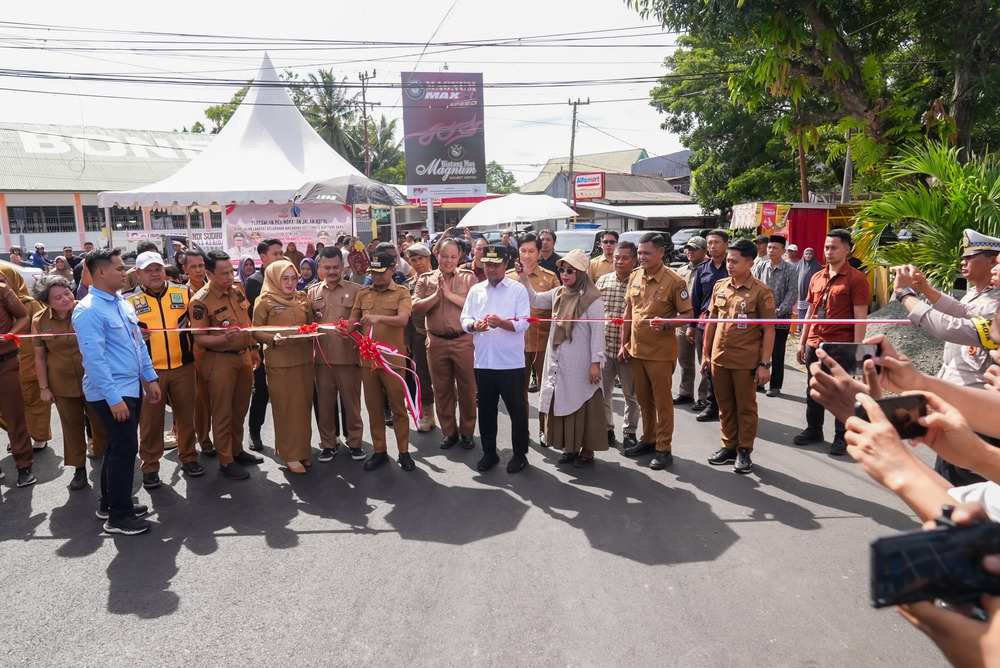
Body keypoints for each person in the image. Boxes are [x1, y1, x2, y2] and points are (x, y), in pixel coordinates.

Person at [892, 228, 1000, 484]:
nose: (963, 262)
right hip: (964, 403)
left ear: (992, 260)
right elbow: (963, 311)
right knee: (951, 479)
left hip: (980, 410)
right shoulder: (981, 295)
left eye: (971, 257)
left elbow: (952, 328)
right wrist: (925, 289)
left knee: (964, 489)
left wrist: (905, 295)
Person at [73, 248, 162, 535]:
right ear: (100, 272)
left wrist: (151, 378)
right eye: (119, 269)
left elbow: (138, 345)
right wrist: (114, 400)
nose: (125, 273)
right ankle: (119, 517)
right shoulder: (88, 310)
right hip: (111, 392)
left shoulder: (121, 303)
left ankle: (111, 503)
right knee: (125, 449)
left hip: (130, 386)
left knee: (117, 448)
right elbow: (94, 361)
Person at [124, 251, 204, 489]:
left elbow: (199, 320)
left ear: (165, 270)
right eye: (147, 270)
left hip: (184, 366)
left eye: (157, 269)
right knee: (150, 422)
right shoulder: (127, 301)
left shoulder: (183, 292)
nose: (154, 274)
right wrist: (133, 335)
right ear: (138, 274)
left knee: (186, 417)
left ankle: (189, 457)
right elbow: (119, 336)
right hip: (149, 373)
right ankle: (150, 466)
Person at [519, 249, 606, 466]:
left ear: (581, 273)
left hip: (582, 360)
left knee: (583, 401)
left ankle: (587, 452)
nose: (565, 274)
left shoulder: (592, 299)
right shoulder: (559, 292)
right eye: (562, 270)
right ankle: (570, 448)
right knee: (562, 400)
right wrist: (523, 277)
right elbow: (536, 300)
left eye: (570, 271)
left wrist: (596, 363)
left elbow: (597, 333)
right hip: (559, 357)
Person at [794, 228, 870, 455]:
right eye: (826, 247)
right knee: (814, 389)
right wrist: (802, 341)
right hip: (815, 343)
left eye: (834, 247)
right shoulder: (817, 276)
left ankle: (842, 437)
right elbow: (809, 313)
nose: (828, 251)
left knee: (842, 394)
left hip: (841, 345)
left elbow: (860, 319)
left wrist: (858, 352)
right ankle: (814, 429)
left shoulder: (857, 279)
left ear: (847, 250)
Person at [702, 239, 776, 474]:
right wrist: (706, 354)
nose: (729, 265)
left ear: (750, 263)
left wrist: (765, 364)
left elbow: (769, 330)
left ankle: (744, 450)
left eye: (734, 261)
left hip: (745, 361)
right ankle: (728, 446)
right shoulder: (720, 286)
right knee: (724, 406)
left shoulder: (762, 291)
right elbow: (711, 322)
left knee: (745, 407)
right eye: (728, 261)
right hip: (719, 358)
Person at [621, 232, 694, 470]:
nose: (641, 257)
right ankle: (648, 439)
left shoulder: (675, 281)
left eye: (646, 253)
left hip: (660, 354)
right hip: (637, 351)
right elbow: (628, 313)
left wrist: (667, 323)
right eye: (639, 253)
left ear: (661, 253)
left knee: (662, 403)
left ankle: (664, 448)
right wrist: (624, 343)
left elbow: (688, 315)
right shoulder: (635, 277)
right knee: (644, 401)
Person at [189, 251, 263, 480]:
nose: (229, 277)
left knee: (240, 408)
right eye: (223, 274)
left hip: (242, 357)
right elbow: (199, 338)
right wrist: (223, 339)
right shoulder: (200, 301)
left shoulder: (237, 289)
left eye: (230, 271)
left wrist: (253, 347)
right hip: (219, 360)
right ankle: (226, 461)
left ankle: (237, 449)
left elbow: (247, 322)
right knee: (222, 412)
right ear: (209, 274)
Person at [32, 275, 107, 490]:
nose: (66, 299)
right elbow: (39, 357)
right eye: (58, 297)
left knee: (101, 423)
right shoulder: (39, 320)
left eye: (67, 293)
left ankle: (106, 462)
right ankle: (79, 469)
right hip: (62, 384)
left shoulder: (87, 310)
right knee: (72, 427)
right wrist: (44, 388)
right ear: (46, 303)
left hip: (94, 380)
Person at [461, 244, 532, 473]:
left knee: (517, 411)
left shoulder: (517, 290)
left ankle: (520, 454)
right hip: (483, 361)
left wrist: (502, 323)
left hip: (510, 362)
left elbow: (524, 323)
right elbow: (465, 318)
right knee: (487, 411)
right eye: (487, 264)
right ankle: (489, 453)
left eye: (495, 264)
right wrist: (474, 326)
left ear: (505, 264)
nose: (490, 269)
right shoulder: (477, 290)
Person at [350, 252, 415, 472]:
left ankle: (404, 452)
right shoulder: (363, 293)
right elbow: (354, 319)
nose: (376, 276)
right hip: (368, 363)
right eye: (373, 272)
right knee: (374, 408)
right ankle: (380, 451)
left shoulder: (402, 292)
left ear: (392, 271)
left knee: (398, 409)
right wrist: (345, 327)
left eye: (380, 272)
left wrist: (378, 318)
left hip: (392, 362)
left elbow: (403, 320)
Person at [414, 238, 478, 450]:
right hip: (436, 342)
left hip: (463, 341)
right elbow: (416, 308)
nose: (448, 260)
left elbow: (475, 305)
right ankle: (449, 431)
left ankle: (467, 431)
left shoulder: (469, 278)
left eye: (453, 256)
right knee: (442, 389)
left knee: (467, 389)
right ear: (437, 255)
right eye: (444, 256)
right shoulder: (425, 279)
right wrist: (436, 296)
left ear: (460, 256)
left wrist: (449, 295)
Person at [252, 260, 314, 474]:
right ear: (273, 279)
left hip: (304, 360)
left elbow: (312, 324)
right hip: (280, 363)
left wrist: (310, 331)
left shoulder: (302, 298)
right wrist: (272, 338)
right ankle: (289, 454)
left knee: (303, 407)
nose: (290, 283)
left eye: (293, 278)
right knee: (286, 407)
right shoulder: (264, 301)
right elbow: (255, 331)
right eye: (284, 278)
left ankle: (303, 450)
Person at [309, 247, 365, 461]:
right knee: (324, 404)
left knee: (352, 404)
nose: (331, 271)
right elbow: (307, 324)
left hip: (348, 357)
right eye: (327, 267)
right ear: (320, 268)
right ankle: (328, 443)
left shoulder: (357, 290)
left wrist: (353, 328)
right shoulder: (312, 292)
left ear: (343, 266)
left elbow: (362, 323)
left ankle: (355, 443)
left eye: (335, 267)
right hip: (322, 359)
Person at [508, 233, 560, 442]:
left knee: (546, 389)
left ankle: (545, 429)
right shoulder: (508, 276)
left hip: (543, 343)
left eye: (531, 251)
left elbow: (558, 308)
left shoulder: (550, 277)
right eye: (523, 251)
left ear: (539, 253)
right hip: (515, 344)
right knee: (518, 392)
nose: (527, 255)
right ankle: (522, 430)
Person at [0, 266, 52, 451]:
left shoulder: (30, 304)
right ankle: (18, 436)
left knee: (34, 402)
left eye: (4, 280)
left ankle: (38, 437)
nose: (2, 284)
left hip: (29, 361)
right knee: (9, 408)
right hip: (6, 362)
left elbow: (43, 329)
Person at [596, 241, 640, 449]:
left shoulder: (640, 282)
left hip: (628, 350)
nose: (619, 262)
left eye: (624, 258)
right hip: (604, 348)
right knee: (603, 392)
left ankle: (630, 431)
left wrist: (628, 345)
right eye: (616, 258)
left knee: (630, 395)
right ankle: (607, 428)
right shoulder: (603, 281)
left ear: (634, 260)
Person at [244, 238, 284, 451]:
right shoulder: (255, 282)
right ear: (263, 257)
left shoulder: (287, 278)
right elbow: (248, 318)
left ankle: (287, 437)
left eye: (281, 253)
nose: (280, 257)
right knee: (261, 390)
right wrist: (253, 346)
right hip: (260, 345)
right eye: (275, 254)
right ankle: (254, 431)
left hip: (285, 345)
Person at [686, 229, 730, 422]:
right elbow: (695, 299)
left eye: (717, 242)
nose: (712, 246)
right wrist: (692, 325)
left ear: (726, 244)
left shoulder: (734, 266)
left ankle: (728, 406)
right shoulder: (703, 268)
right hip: (706, 325)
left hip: (729, 326)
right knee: (708, 365)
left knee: (728, 367)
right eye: (710, 243)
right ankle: (712, 405)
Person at [751, 234, 797, 397]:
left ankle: (775, 384)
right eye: (769, 247)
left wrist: (775, 313)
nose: (771, 250)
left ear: (783, 250)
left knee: (777, 352)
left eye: (775, 248)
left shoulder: (790, 269)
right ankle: (758, 382)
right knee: (758, 350)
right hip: (760, 318)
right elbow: (753, 288)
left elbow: (792, 295)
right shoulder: (760, 266)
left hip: (780, 319)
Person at [0, 272, 34, 487]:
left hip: (5, 362)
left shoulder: (2, 289)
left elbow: (23, 317)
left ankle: (24, 465)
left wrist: (9, 335)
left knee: (14, 416)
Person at [402, 243, 436, 433]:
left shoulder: (441, 279)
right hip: (418, 335)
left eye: (420, 259)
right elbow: (406, 315)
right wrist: (406, 339)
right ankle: (428, 414)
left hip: (440, 335)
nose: (417, 263)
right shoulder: (409, 285)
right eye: (413, 260)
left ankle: (450, 418)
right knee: (422, 376)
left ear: (428, 258)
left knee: (444, 378)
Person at [183, 251, 214, 456]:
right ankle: (204, 439)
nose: (198, 270)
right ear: (184, 269)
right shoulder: (182, 293)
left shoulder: (215, 288)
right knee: (201, 399)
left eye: (201, 265)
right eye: (193, 266)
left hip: (219, 350)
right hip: (195, 352)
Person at [674, 236, 708, 407]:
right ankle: (686, 392)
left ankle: (704, 397)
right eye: (688, 248)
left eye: (695, 249)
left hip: (702, 322)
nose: (690, 252)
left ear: (704, 250)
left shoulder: (708, 270)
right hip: (683, 321)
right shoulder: (680, 271)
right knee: (685, 360)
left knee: (704, 362)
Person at [795, 248, 822, 320]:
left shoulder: (817, 265)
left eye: (810, 254)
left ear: (813, 255)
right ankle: (801, 326)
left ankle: (809, 326)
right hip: (802, 290)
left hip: (813, 289)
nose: (808, 256)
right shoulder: (800, 264)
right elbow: (796, 276)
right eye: (806, 254)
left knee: (811, 307)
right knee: (802, 308)